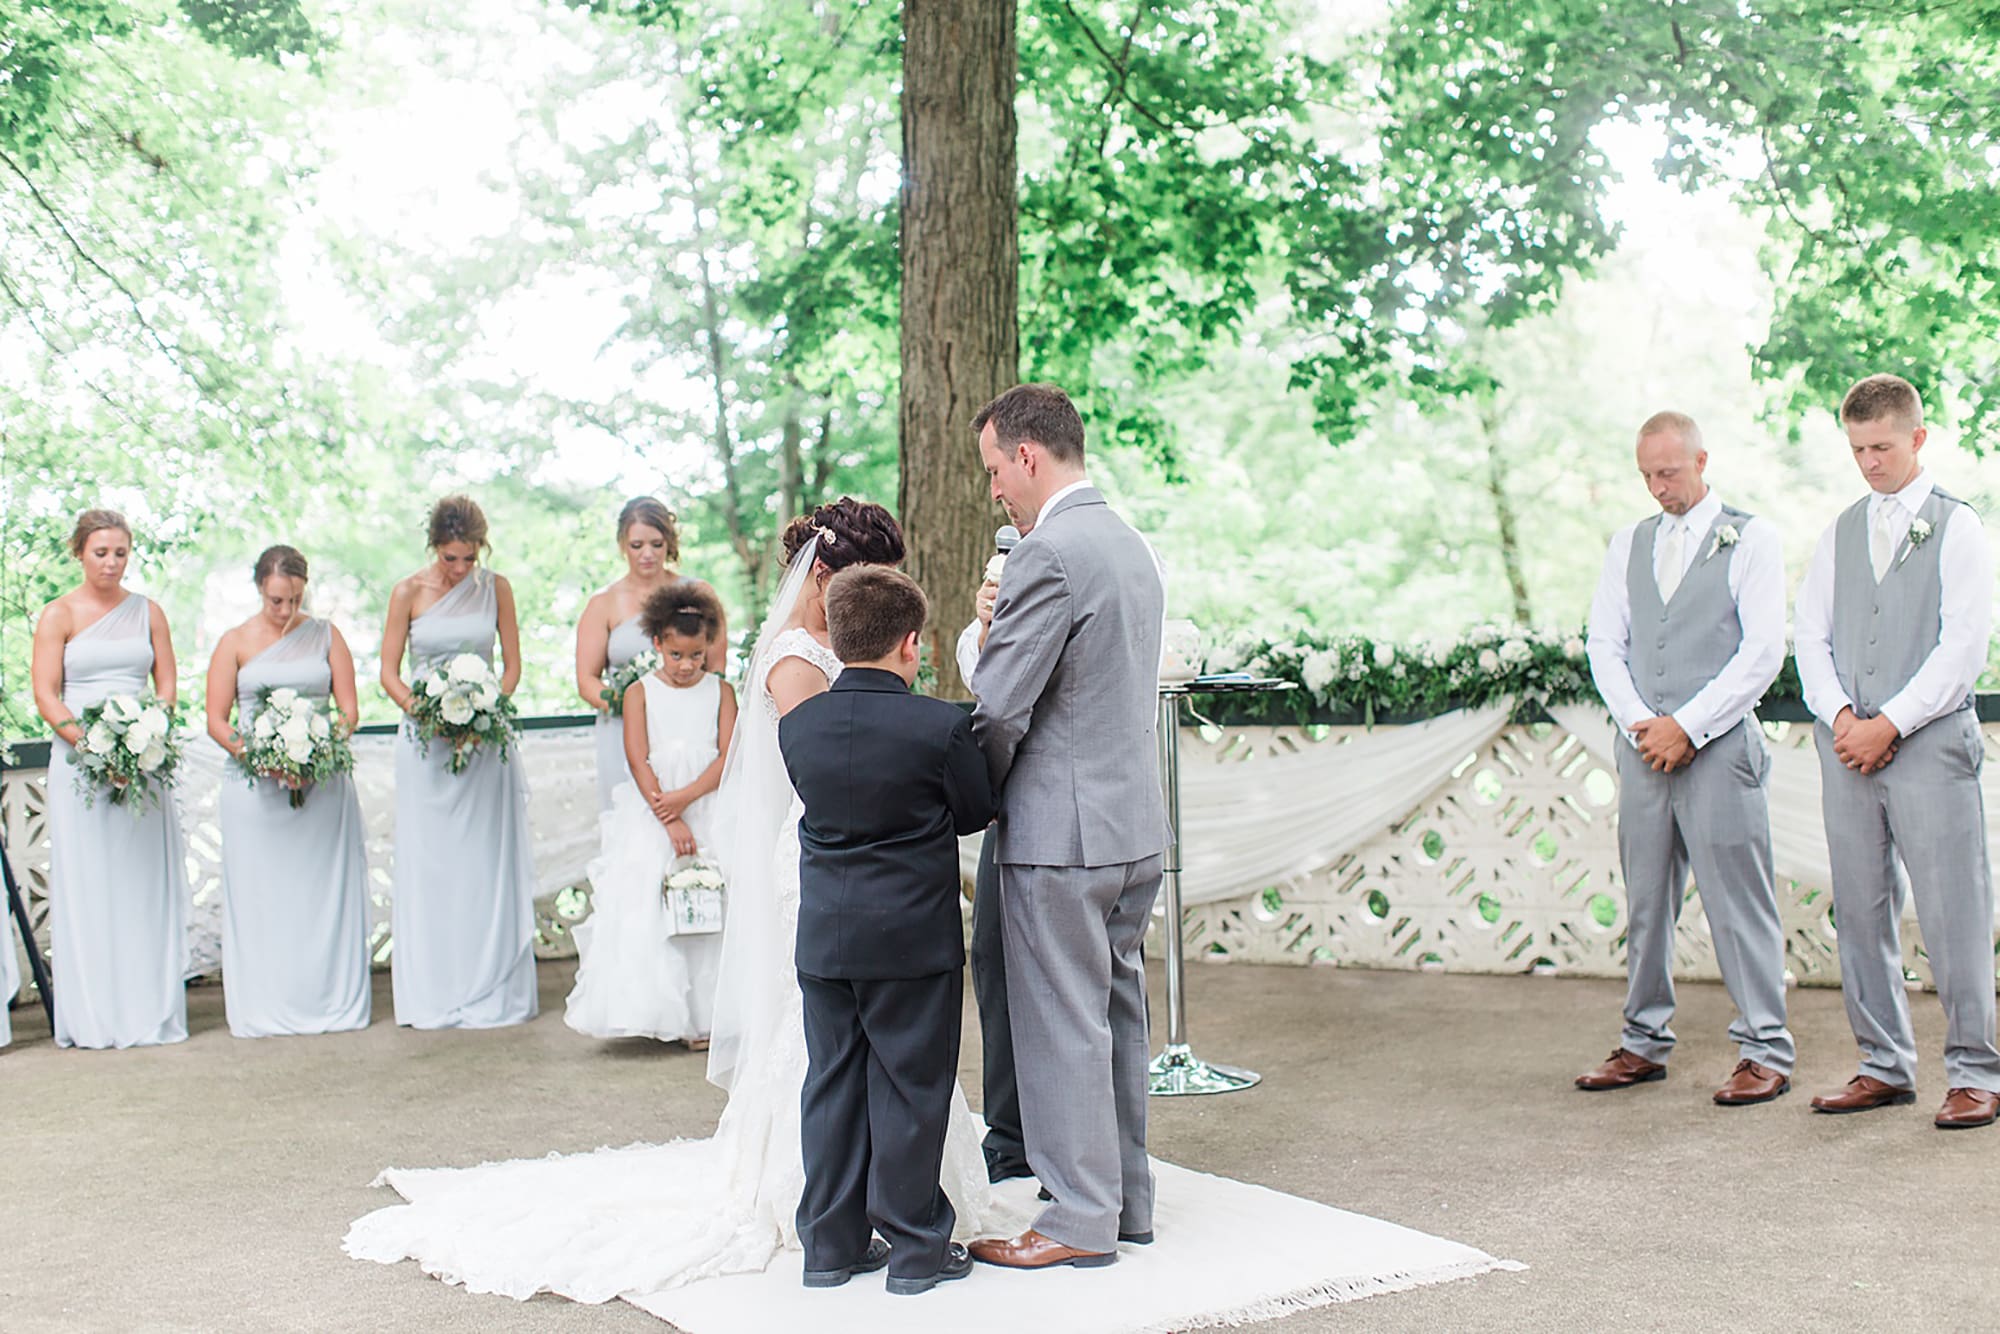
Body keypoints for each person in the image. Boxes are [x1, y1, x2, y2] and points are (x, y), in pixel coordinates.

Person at [345, 499, 1031, 1303]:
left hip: (825, 891)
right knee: (885, 1070)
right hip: (858, 887)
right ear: (826, 574)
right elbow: (875, 779)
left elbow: (825, 758)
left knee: (828, 1070)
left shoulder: (815, 683)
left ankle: (831, 1240)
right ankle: (911, 1241)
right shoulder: (819, 671)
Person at [968, 383, 1168, 1271]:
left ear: (1028, 456)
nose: (995, 491)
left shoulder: (1046, 554)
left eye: (994, 471)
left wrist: (968, 792)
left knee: (1060, 1023)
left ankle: (1078, 1219)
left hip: (1061, 834)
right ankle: (1126, 1203)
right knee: (1118, 1014)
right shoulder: (1130, 545)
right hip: (1132, 829)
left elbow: (1001, 706)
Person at [1793, 373, 2000, 1129]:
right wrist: (1844, 715)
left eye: (1882, 446)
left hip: (1931, 744)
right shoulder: (1840, 531)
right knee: (1861, 909)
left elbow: (1962, 648)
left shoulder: (1959, 526)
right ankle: (1883, 1064)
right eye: (1857, 449)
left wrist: (1893, 723)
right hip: (1848, 748)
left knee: (1954, 909)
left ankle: (1976, 1071)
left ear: (1917, 438)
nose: (1870, 463)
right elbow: (1810, 636)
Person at [781, 567, 995, 1296]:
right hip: (911, 942)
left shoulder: (797, 726)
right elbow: (973, 811)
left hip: (826, 941)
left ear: (839, 642)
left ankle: (830, 1249)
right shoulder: (941, 726)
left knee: (831, 1086)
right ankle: (913, 1249)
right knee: (912, 1086)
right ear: (912, 643)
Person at [1576, 412, 1795, 1104]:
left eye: (1668, 472)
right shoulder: (1628, 543)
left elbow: (1763, 652)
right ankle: (1642, 1042)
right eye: (1646, 474)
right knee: (1646, 902)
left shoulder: (1752, 538)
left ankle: (1765, 1049)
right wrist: (1644, 723)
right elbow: (1604, 644)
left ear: (1704, 460)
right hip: (1644, 750)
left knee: (1739, 903)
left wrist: (1689, 727)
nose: (1656, 487)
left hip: (1721, 749)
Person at [29, 508, 190, 1050]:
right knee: (92, 881)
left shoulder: (149, 612)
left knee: (141, 881)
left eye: (120, 552)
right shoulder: (59, 614)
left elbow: (165, 683)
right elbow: (47, 694)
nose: (112, 562)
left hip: (143, 760)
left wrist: (147, 732)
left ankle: (149, 1008)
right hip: (81, 763)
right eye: (101, 552)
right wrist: (94, 744)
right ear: (79, 552)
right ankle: (96, 1015)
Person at [379, 496, 538, 1030]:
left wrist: (486, 712)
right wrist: (426, 715)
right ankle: (434, 989)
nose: (461, 569)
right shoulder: (407, 592)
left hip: (484, 742)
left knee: (481, 861)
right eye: (451, 558)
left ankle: (491, 983)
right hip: (425, 744)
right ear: (434, 547)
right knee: (434, 863)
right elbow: (389, 673)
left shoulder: (497, 589)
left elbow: (512, 666)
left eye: (469, 558)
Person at [206, 545, 371, 1038]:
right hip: (257, 792)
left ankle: (326, 1001)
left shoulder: (326, 635)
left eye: (295, 600)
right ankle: (267, 1003)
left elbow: (348, 712)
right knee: (266, 898)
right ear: (261, 588)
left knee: (319, 898)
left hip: (322, 788)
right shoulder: (234, 641)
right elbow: (216, 720)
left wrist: (317, 754)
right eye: (277, 600)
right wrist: (265, 759)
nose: (286, 611)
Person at [566, 579, 737, 1045]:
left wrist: (687, 799)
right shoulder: (639, 692)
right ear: (659, 644)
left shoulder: (721, 692)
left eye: (697, 656)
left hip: (709, 806)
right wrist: (670, 815)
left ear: (708, 649)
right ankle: (668, 1015)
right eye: (677, 655)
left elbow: (728, 755)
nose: (686, 666)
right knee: (654, 907)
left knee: (716, 904)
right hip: (655, 813)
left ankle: (709, 1016)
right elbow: (638, 757)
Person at [574, 498, 727, 811]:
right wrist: (635, 708)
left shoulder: (699, 593)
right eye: (637, 545)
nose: (647, 554)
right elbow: (586, 680)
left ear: (669, 543)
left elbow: (716, 669)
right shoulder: (602, 603)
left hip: (689, 730)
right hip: (621, 733)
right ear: (622, 544)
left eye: (657, 544)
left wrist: (676, 705)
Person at [957, 540, 1031, 1181]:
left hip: (1059, 804)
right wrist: (987, 625)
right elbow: (985, 694)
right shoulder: (977, 630)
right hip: (1006, 815)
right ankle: (1007, 1134)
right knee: (993, 959)